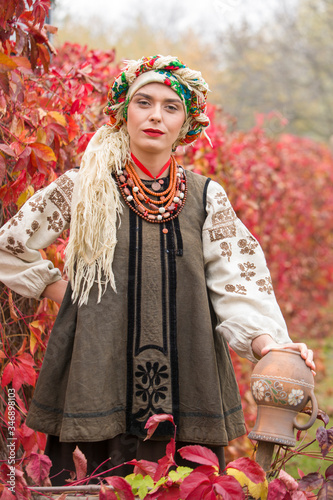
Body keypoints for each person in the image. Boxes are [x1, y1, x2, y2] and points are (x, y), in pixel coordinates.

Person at [0, 55, 315, 484]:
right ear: (122, 112)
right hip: (96, 372)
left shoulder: (207, 197)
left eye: (171, 107)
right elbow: (10, 247)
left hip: (190, 378)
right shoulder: (84, 186)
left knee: (184, 488)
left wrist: (269, 345)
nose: (155, 116)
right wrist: (64, 291)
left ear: (185, 124)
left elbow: (238, 282)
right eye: (144, 102)